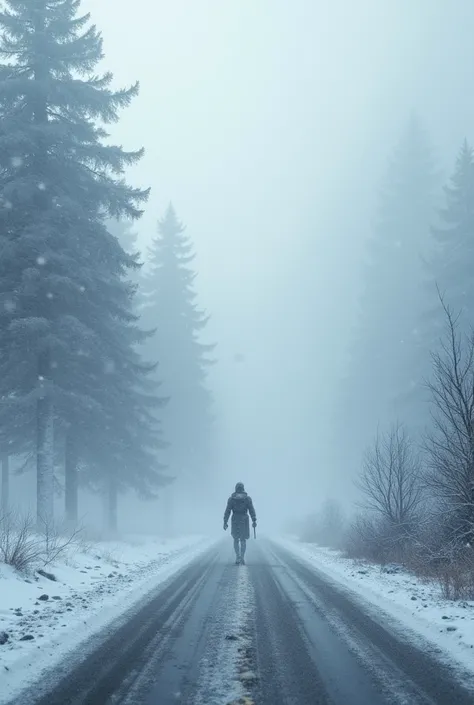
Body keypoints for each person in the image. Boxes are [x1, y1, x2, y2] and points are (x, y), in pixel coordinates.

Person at [223, 482, 257, 565]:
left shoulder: (231, 499)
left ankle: (237, 556)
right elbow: (251, 510)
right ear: (243, 488)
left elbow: (227, 511)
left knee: (235, 539)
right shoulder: (247, 498)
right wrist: (254, 520)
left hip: (235, 519)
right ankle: (242, 557)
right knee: (243, 539)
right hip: (244, 519)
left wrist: (225, 521)